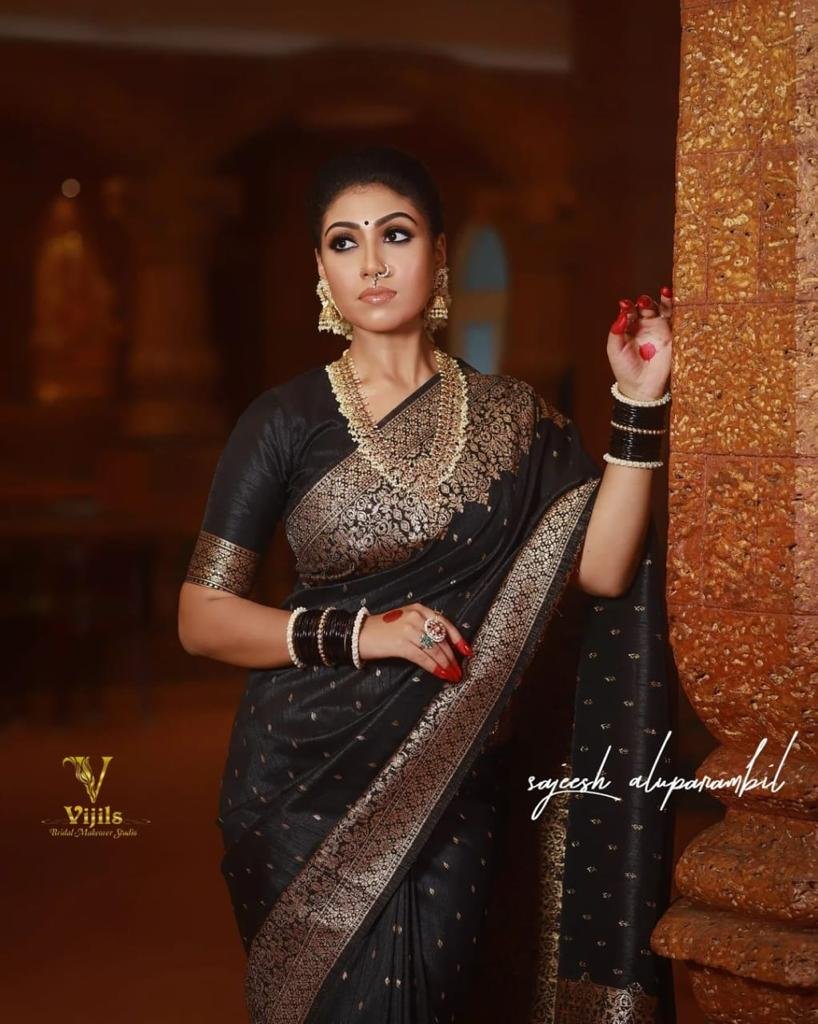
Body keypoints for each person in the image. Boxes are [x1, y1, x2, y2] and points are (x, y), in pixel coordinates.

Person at [178, 144, 677, 1024]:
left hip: (453, 777)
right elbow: (201, 615)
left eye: (396, 235)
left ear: (439, 253)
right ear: (321, 269)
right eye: (344, 242)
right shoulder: (282, 422)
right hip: (299, 784)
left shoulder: (515, 418)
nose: (371, 263)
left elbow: (601, 568)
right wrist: (363, 633)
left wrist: (637, 400)